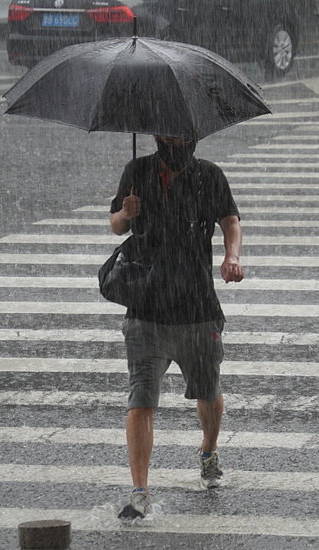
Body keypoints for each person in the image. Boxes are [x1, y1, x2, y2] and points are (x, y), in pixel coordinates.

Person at [109, 135, 244, 521]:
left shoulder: (210, 176)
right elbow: (115, 225)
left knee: (208, 390)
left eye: (186, 136)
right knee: (141, 399)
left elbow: (230, 221)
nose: (179, 142)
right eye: (172, 135)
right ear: (157, 137)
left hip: (197, 307)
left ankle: (208, 449)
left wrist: (231, 256)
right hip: (146, 308)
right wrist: (126, 213)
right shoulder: (137, 172)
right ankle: (139, 491)